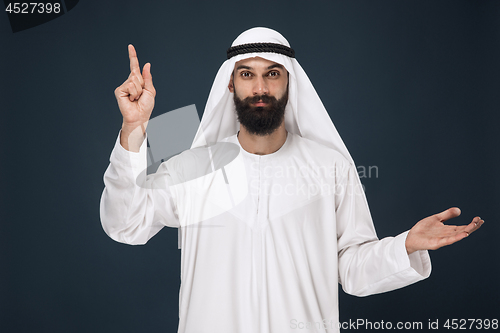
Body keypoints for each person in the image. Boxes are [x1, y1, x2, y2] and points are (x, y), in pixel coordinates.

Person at [100, 27, 483, 333]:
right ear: (230, 85)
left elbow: (349, 268)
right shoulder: (193, 167)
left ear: (289, 82)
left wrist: (404, 247)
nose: (261, 87)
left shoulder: (330, 167)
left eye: (272, 74)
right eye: (247, 74)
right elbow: (126, 223)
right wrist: (134, 128)